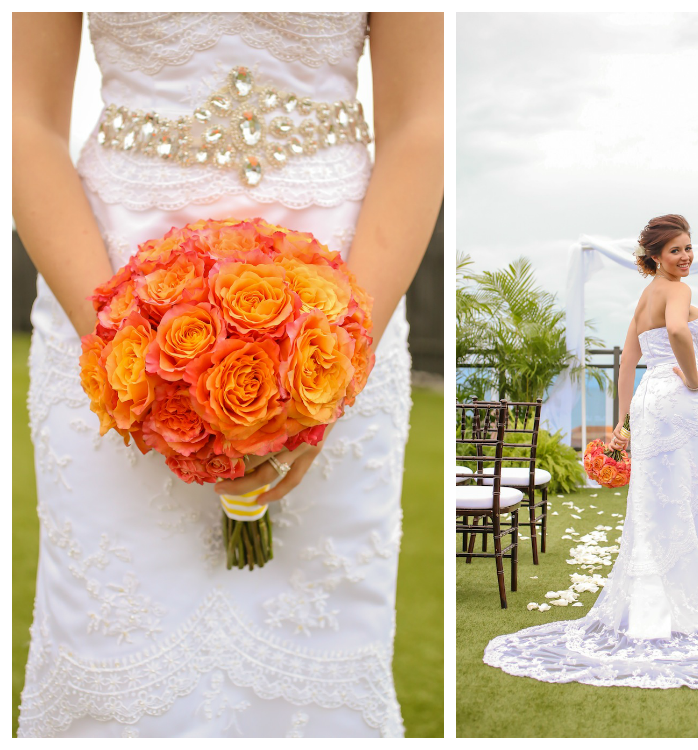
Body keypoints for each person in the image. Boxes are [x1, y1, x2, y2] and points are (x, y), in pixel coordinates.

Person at [13, 12, 443, 737]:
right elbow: (24, 115)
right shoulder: (113, 325)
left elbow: (421, 118)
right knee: (115, 642)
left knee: (313, 646)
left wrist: (336, 365)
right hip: (106, 275)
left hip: (345, 283)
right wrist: (125, 350)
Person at [484, 214, 698, 689]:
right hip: (678, 402)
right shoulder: (676, 291)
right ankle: (678, 609)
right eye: (676, 250)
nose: (686, 257)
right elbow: (677, 332)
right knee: (685, 496)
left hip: (651, 403)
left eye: (689, 248)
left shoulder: (647, 292)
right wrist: (695, 378)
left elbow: (627, 358)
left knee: (653, 501)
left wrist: (621, 419)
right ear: (654, 255)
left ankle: (649, 607)